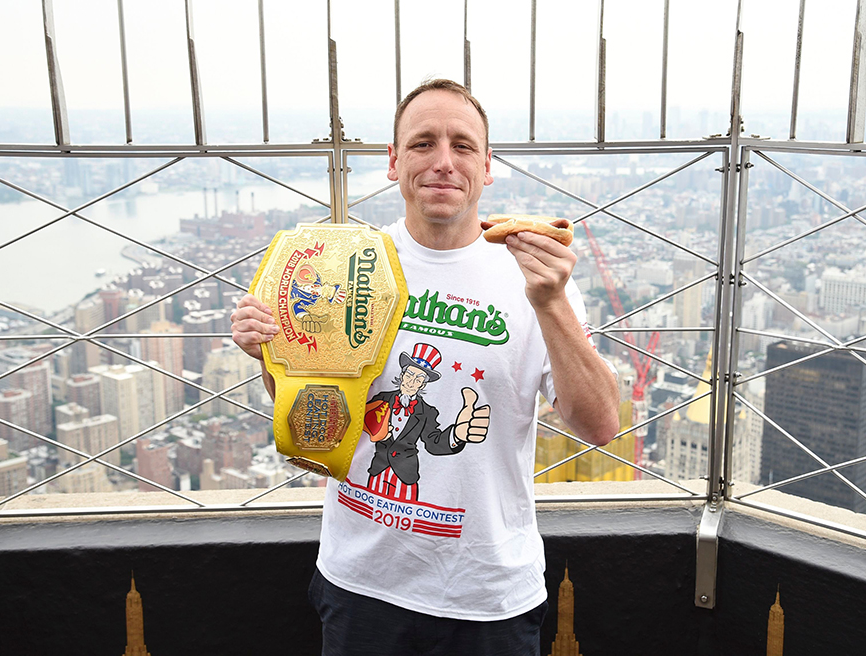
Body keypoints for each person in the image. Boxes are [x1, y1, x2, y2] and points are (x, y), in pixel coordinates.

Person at [231, 79, 621, 656]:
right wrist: (270, 359)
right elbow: (322, 423)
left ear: (488, 166)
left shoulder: (535, 276)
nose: (443, 162)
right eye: (422, 144)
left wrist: (552, 304)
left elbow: (599, 425)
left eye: (463, 146)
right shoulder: (346, 266)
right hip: (362, 586)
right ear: (392, 162)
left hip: (489, 598)